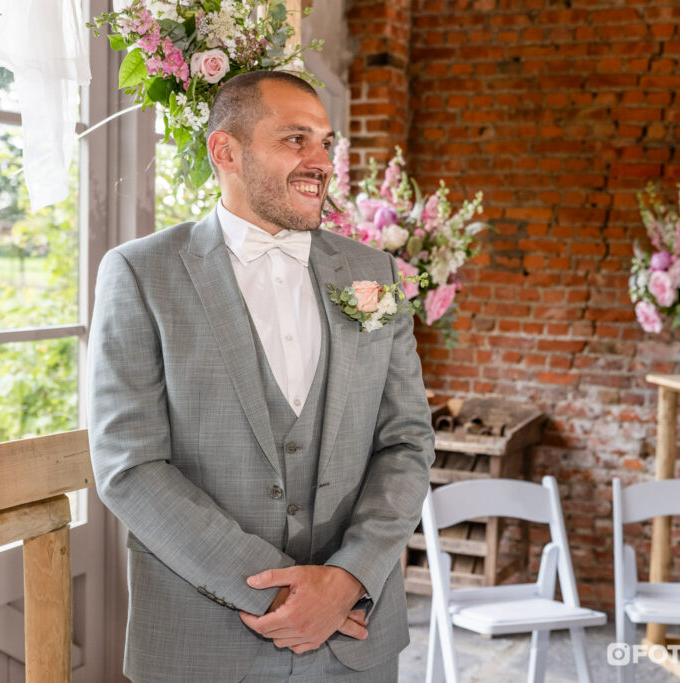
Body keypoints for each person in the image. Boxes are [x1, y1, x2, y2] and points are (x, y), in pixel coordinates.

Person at [87, 70, 435, 682]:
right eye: (294, 140)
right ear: (226, 151)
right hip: (203, 645)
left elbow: (406, 441)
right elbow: (128, 465)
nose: (320, 162)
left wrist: (347, 578)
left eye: (326, 143)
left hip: (354, 636)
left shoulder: (375, 271)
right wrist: (280, 596)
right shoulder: (141, 274)